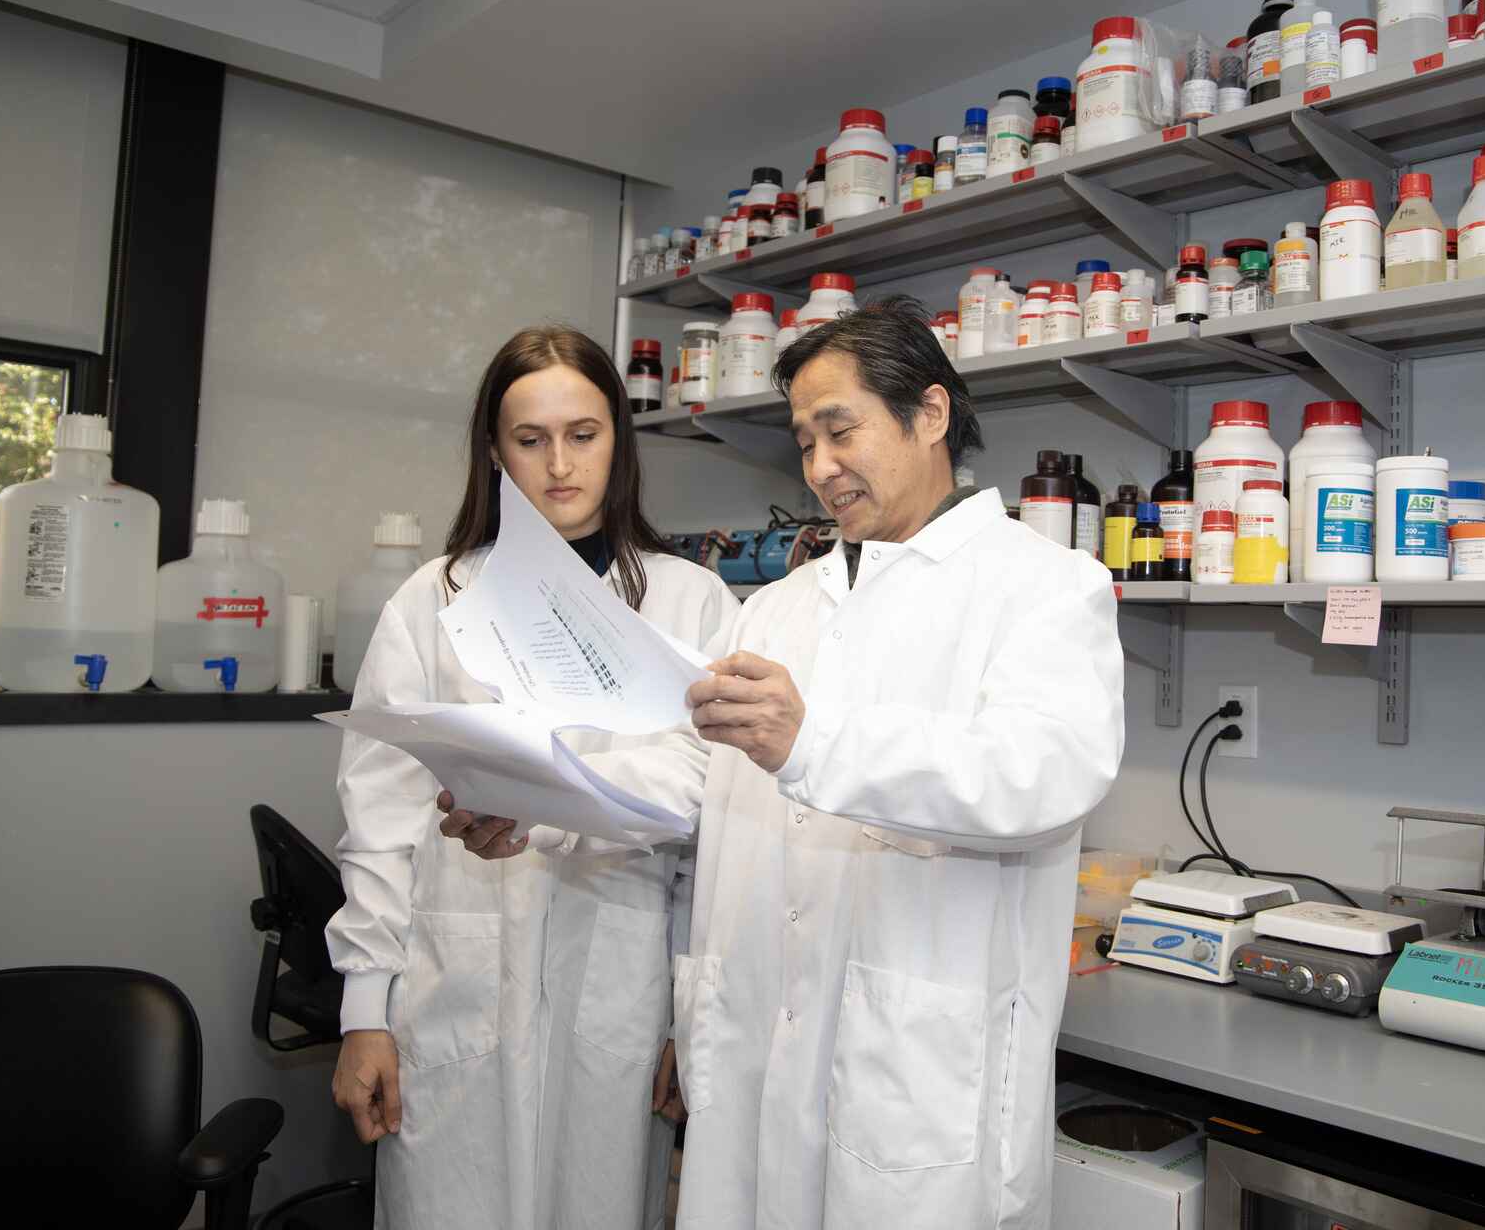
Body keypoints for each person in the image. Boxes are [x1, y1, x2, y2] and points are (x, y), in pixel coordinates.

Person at [442, 298, 1125, 1228]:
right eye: (804, 443)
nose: (819, 468)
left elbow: (1043, 774)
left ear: (929, 416)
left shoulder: (1045, 587)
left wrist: (816, 745)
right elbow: (696, 789)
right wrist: (536, 813)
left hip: (921, 1075)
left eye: (839, 431)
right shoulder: (776, 608)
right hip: (757, 1055)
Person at [327, 326, 736, 1229]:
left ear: (618, 443)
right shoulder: (432, 601)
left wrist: (689, 1020)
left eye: (583, 434)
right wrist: (365, 1010)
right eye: (530, 438)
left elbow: (714, 828)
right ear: (494, 450)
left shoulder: (691, 601)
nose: (559, 464)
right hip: (458, 972)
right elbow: (381, 820)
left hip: (623, 981)